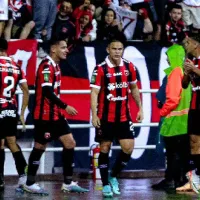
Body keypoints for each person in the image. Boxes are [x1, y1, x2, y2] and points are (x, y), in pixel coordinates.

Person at [22, 38, 89, 194]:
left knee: (70, 143)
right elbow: (46, 91)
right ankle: (29, 182)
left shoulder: (56, 66)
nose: (67, 50)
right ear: (53, 49)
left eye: (67, 47)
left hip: (56, 115)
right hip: (44, 116)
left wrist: (61, 109)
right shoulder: (46, 66)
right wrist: (65, 106)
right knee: (40, 147)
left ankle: (67, 182)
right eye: (63, 47)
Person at [90, 39, 143, 198]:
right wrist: (94, 114)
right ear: (108, 49)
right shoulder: (100, 69)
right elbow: (94, 93)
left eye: (120, 49)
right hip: (105, 117)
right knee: (104, 148)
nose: (117, 52)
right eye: (114, 49)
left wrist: (140, 107)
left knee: (128, 148)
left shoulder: (130, 67)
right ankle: (105, 184)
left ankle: (113, 176)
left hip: (123, 117)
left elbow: (134, 88)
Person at [152, 44, 191, 191]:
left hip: (174, 122)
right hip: (185, 121)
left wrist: (163, 112)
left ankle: (172, 181)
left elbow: (173, 99)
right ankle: (181, 180)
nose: (167, 60)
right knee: (182, 154)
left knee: (172, 153)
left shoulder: (175, 73)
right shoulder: (185, 72)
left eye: (168, 57)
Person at [0, 38, 29, 190]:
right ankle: (24, 177)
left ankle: (0, 179)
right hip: (11, 109)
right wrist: (22, 113)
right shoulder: (15, 66)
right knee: (12, 142)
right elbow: (26, 90)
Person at [176, 37, 200, 193]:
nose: (185, 46)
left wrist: (194, 70)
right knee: (193, 142)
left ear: (196, 44)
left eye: (188, 43)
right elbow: (184, 85)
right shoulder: (191, 61)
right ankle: (196, 178)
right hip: (195, 105)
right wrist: (186, 73)